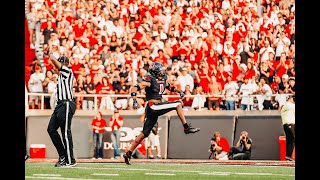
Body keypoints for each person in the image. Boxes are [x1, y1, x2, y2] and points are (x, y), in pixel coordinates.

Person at [123, 62, 200, 165]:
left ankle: (128, 153)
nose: (163, 72)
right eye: (161, 70)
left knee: (144, 134)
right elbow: (135, 88)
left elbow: (169, 87)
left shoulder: (162, 79)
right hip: (152, 106)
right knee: (177, 104)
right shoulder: (149, 80)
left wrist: (179, 91)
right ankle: (186, 127)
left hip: (154, 109)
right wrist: (134, 99)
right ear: (156, 71)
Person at [47, 54, 77, 167]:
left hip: (67, 103)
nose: (55, 67)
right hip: (60, 105)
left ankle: (70, 160)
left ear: (63, 64)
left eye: (58, 64)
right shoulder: (61, 76)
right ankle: (63, 155)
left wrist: (51, 55)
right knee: (51, 129)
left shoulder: (67, 72)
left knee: (65, 132)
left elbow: (55, 62)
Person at [280, 95, 295, 161]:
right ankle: (288, 155)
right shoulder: (288, 105)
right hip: (289, 124)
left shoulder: (289, 106)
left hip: (288, 125)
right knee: (291, 139)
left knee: (290, 141)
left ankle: (288, 156)